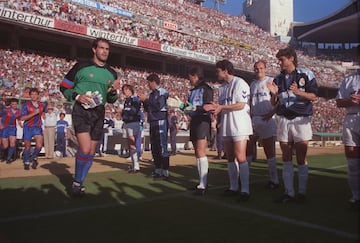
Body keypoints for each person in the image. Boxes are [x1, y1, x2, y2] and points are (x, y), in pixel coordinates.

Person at [60, 37, 120, 196]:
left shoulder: (112, 73)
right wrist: (77, 96)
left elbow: (112, 100)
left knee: (91, 151)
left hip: (99, 113)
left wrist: (113, 91)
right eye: (101, 48)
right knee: (85, 149)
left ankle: (79, 183)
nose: (104, 52)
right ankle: (77, 183)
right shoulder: (81, 67)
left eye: (107, 49)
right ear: (94, 49)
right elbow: (64, 87)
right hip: (81, 111)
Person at [267, 47, 318, 203]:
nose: (279, 63)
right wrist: (274, 95)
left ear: (291, 58)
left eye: (282, 60)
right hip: (283, 119)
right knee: (286, 156)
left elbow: (314, 96)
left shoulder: (306, 74)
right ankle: (289, 192)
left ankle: (301, 192)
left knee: (301, 157)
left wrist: (298, 92)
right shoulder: (277, 79)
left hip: (301, 119)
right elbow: (273, 103)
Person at [204, 60, 253, 202]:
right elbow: (221, 106)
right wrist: (216, 111)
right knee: (230, 157)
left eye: (218, 71)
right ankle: (233, 187)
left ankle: (245, 189)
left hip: (239, 124)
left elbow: (241, 105)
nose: (216, 73)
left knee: (240, 156)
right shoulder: (222, 87)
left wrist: (221, 108)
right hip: (226, 124)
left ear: (225, 70)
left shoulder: (240, 83)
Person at [247, 60, 279, 189]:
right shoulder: (252, 84)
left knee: (269, 151)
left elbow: (278, 101)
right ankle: (244, 176)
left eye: (261, 68)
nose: (258, 70)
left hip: (267, 119)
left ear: (265, 69)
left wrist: (271, 114)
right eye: (256, 68)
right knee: (248, 148)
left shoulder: (271, 81)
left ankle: (274, 180)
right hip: (254, 119)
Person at [184, 66, 213, 195]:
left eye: (190, 76)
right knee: (197, 152)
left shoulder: (206, 89)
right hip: (194, 121)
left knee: (201, 151)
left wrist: (194, 108)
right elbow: (191, 109)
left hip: (203, 121)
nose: (188, 79)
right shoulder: (192, 91)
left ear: (195, 75)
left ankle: (203, 184)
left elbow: (208, 107)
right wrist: (183, 107)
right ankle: (201, 182)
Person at [335, 66, 360, 206]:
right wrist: (351, 102)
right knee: (353, 162)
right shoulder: (349, 79)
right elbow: (339, 102)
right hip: (351, 118)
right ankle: (356, 196)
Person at [139, 74, 170, 180]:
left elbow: (158, 106)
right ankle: (158, 170)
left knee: (162, 146)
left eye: (148, 83)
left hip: (160, 121)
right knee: (155, 147)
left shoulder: (162, 92)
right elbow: (149, 108)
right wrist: (144, 102)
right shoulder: (152, 94)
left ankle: (165, 172)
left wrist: (146, 100)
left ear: (153, 82)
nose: (148, 85)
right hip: (153, 121)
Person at [20, 88, 46, 170]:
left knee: (39, 145)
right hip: (28, 127)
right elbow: (22, 118)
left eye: (35, 94)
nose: (34, 96)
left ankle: (34, 157)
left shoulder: (42, 104)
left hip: (37, 127)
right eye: (32, 94)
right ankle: (27, 161)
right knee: (27, 146)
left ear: (38, 95)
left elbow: (44, 110)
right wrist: (34, 113)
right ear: (30, 95)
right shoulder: (26, 105)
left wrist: (43, 115)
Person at [121, 84, 141, 173]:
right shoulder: (127, 100)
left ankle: (136, 166)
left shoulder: (134, 99)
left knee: (132, 144)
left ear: (129, 90)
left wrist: (123, 111)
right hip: (128, 122)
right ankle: (134, 165)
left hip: (133, 123)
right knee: (130, 144)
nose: (123, 92)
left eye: (125, 90)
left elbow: (133, 110)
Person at [0, 98, 21, 163]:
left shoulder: (19, 111)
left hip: (13, 128)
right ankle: (2, 155)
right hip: (5, 128)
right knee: (5, 145)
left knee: (12, 143)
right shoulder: (5, 110)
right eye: (13, 104)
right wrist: (0, 125)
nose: (14, 105)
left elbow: (19, 118)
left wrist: (20, 124)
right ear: (11, 104)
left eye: (15, 104)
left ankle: (8, 158)